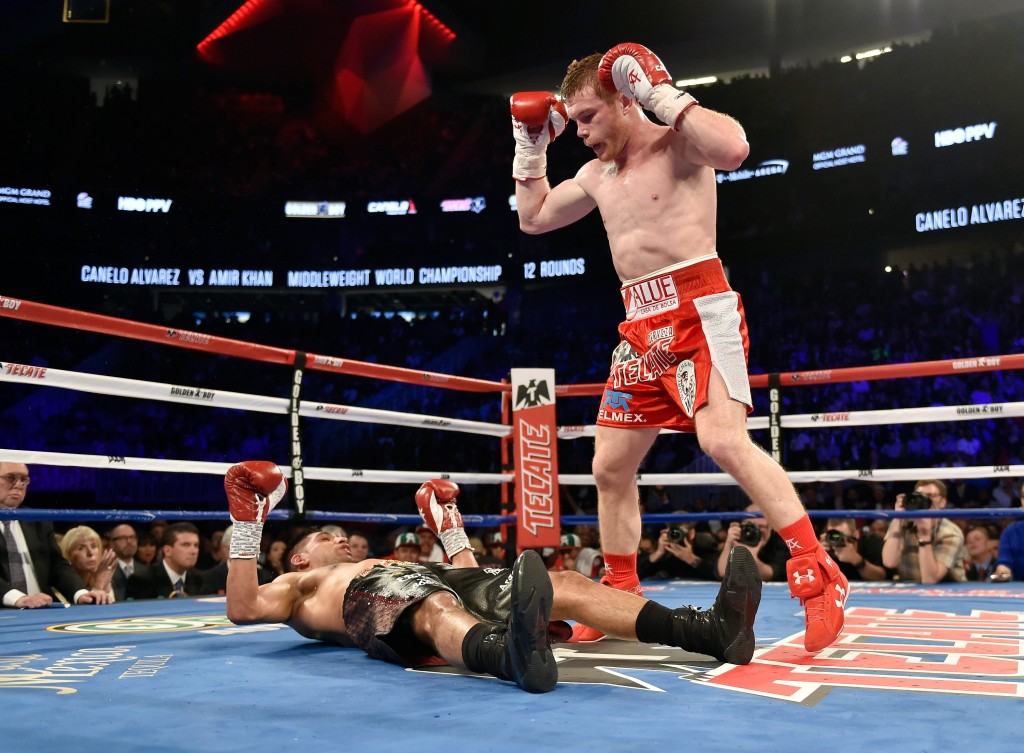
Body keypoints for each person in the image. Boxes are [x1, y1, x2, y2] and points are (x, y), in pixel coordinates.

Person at [510, 42, 846, 651]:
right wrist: (530, 145)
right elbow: (532, 218)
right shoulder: (594, 174)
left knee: (721, 440)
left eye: (587, 117)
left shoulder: (678, 145)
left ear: (625, 99)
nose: (579, 133)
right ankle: (620, 591)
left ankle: (820, 577)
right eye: (573, 121)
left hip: (700, 307)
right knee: (610, 467)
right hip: (638, 327)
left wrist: (662, 93)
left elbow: (736, 148)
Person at [224, 463, 761, 694]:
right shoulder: (301, 586)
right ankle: (509, 656)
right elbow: (244, 608)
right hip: (382, 601)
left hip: (427, 579)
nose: (340, 540)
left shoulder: (385, 559)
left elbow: (470, 581)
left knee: (564, 584)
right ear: (298, 559)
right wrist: (247, 523)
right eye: (326, 537)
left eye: (344, 536)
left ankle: (710, 631)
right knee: (432, 606)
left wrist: (450, 532)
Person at [1, 461, 112, 608]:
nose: (18, 485)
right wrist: (19, 599)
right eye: (11, 478)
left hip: (41, 611)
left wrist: (80, 593)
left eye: (23, 479)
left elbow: (57, 565)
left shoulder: (36, 520)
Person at [881, 480, 966, 583]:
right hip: (909, 587)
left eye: (930, 496)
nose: (924, 500)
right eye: (920, 496)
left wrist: (924, 535)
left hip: (948, 590)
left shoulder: (950, 533)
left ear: (942, 502)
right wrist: (897, 517)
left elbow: (929, 580)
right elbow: (889, 562)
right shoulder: (902, 523)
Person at [127, 522, 212, 599]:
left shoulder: (200, 579)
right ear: (167, 551)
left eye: (196, 545)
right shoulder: (142, 580)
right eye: (186, 545)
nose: (193, 551)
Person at [716, 508, 790, 583]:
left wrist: (750, 557)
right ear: (742, 525)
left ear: (771, 527)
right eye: (751, 526)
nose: (756, 531)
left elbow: (771, 574)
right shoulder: (739, 537)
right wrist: (728, 544)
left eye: (761, 526)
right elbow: (724, 573)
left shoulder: (781, 541)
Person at [201, 525, 275, 595]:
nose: (247, 552)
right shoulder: (210, 578)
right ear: (227, 549)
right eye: (243, 546)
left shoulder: (265, 578)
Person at [639, 524, 718, 581]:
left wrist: (692, 559)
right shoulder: (667, 553)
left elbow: (720, 575)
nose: (676, 534)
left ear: (691, 533)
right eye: (673, 531)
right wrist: (658, 553)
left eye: (680, 531)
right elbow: (638, 575)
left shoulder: (704, 545)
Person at [819, 518, 888, 581]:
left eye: (841, 536)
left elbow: (881, 577)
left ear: (856, 535)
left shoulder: (871, 543)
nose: (836, 540)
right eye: (832, 536)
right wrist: (817, 555)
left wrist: (856, 560)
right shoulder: (825, 548)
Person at [60, 525, 118, 601]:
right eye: (81, 548)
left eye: (94, 546)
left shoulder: (103, 579)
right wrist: (99, 586)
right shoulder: (61, 586)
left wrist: (103, 585)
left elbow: (108, 612)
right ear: (68, 556)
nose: (90, 553)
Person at [107, 523, 143, 601]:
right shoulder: (106, 572)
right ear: (112, 543)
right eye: (123, 538)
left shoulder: (146, 571)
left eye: (132, 537)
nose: (129, 541)